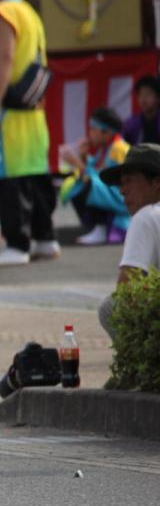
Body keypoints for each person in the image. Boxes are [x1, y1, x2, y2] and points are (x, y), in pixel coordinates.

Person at [0, 0, 56, 267]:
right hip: (32, 108)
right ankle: (45, 238)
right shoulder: (28, 11)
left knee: (10, 178)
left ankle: (16, 243)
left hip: (10, 109)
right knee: (35, 175)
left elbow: (5, 57)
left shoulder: (5, 13)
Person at [96, 144, 160, 341]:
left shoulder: (147, 216)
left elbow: (126, 289)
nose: (122, 191)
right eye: (121, 184)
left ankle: (140, 361)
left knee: (111, 307)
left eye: (129, 181)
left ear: (156, 183)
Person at [59, 107, 131, 245]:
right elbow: (94, 169)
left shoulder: (118, 148)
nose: (90, 133)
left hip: (123, 197)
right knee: (74, 185)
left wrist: (77, 163)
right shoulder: (106, 148)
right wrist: (82, 156)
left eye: (93, 129)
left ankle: (100, 228)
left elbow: (104, 178)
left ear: (106, 132)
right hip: (114, 195)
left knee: (88, 185)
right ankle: (97, 227)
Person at [123, 76, 160, 146]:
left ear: (158, 98)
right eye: (140, 94)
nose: (143, 99)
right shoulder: (131, 124)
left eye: (148, 94)